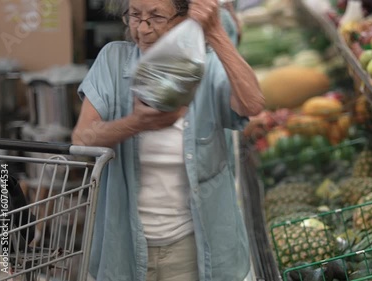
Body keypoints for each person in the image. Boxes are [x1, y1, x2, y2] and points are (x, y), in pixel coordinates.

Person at [71, 0, 265, 280]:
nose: (143, 29)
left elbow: (252, 104)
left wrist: (216, 32)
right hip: (122, 251)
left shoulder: (207, 66)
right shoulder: (113, 61)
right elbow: (82, 141)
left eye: (156, 17)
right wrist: (135, 123)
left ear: (183, 19)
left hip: (193, 252)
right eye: (135, 16)